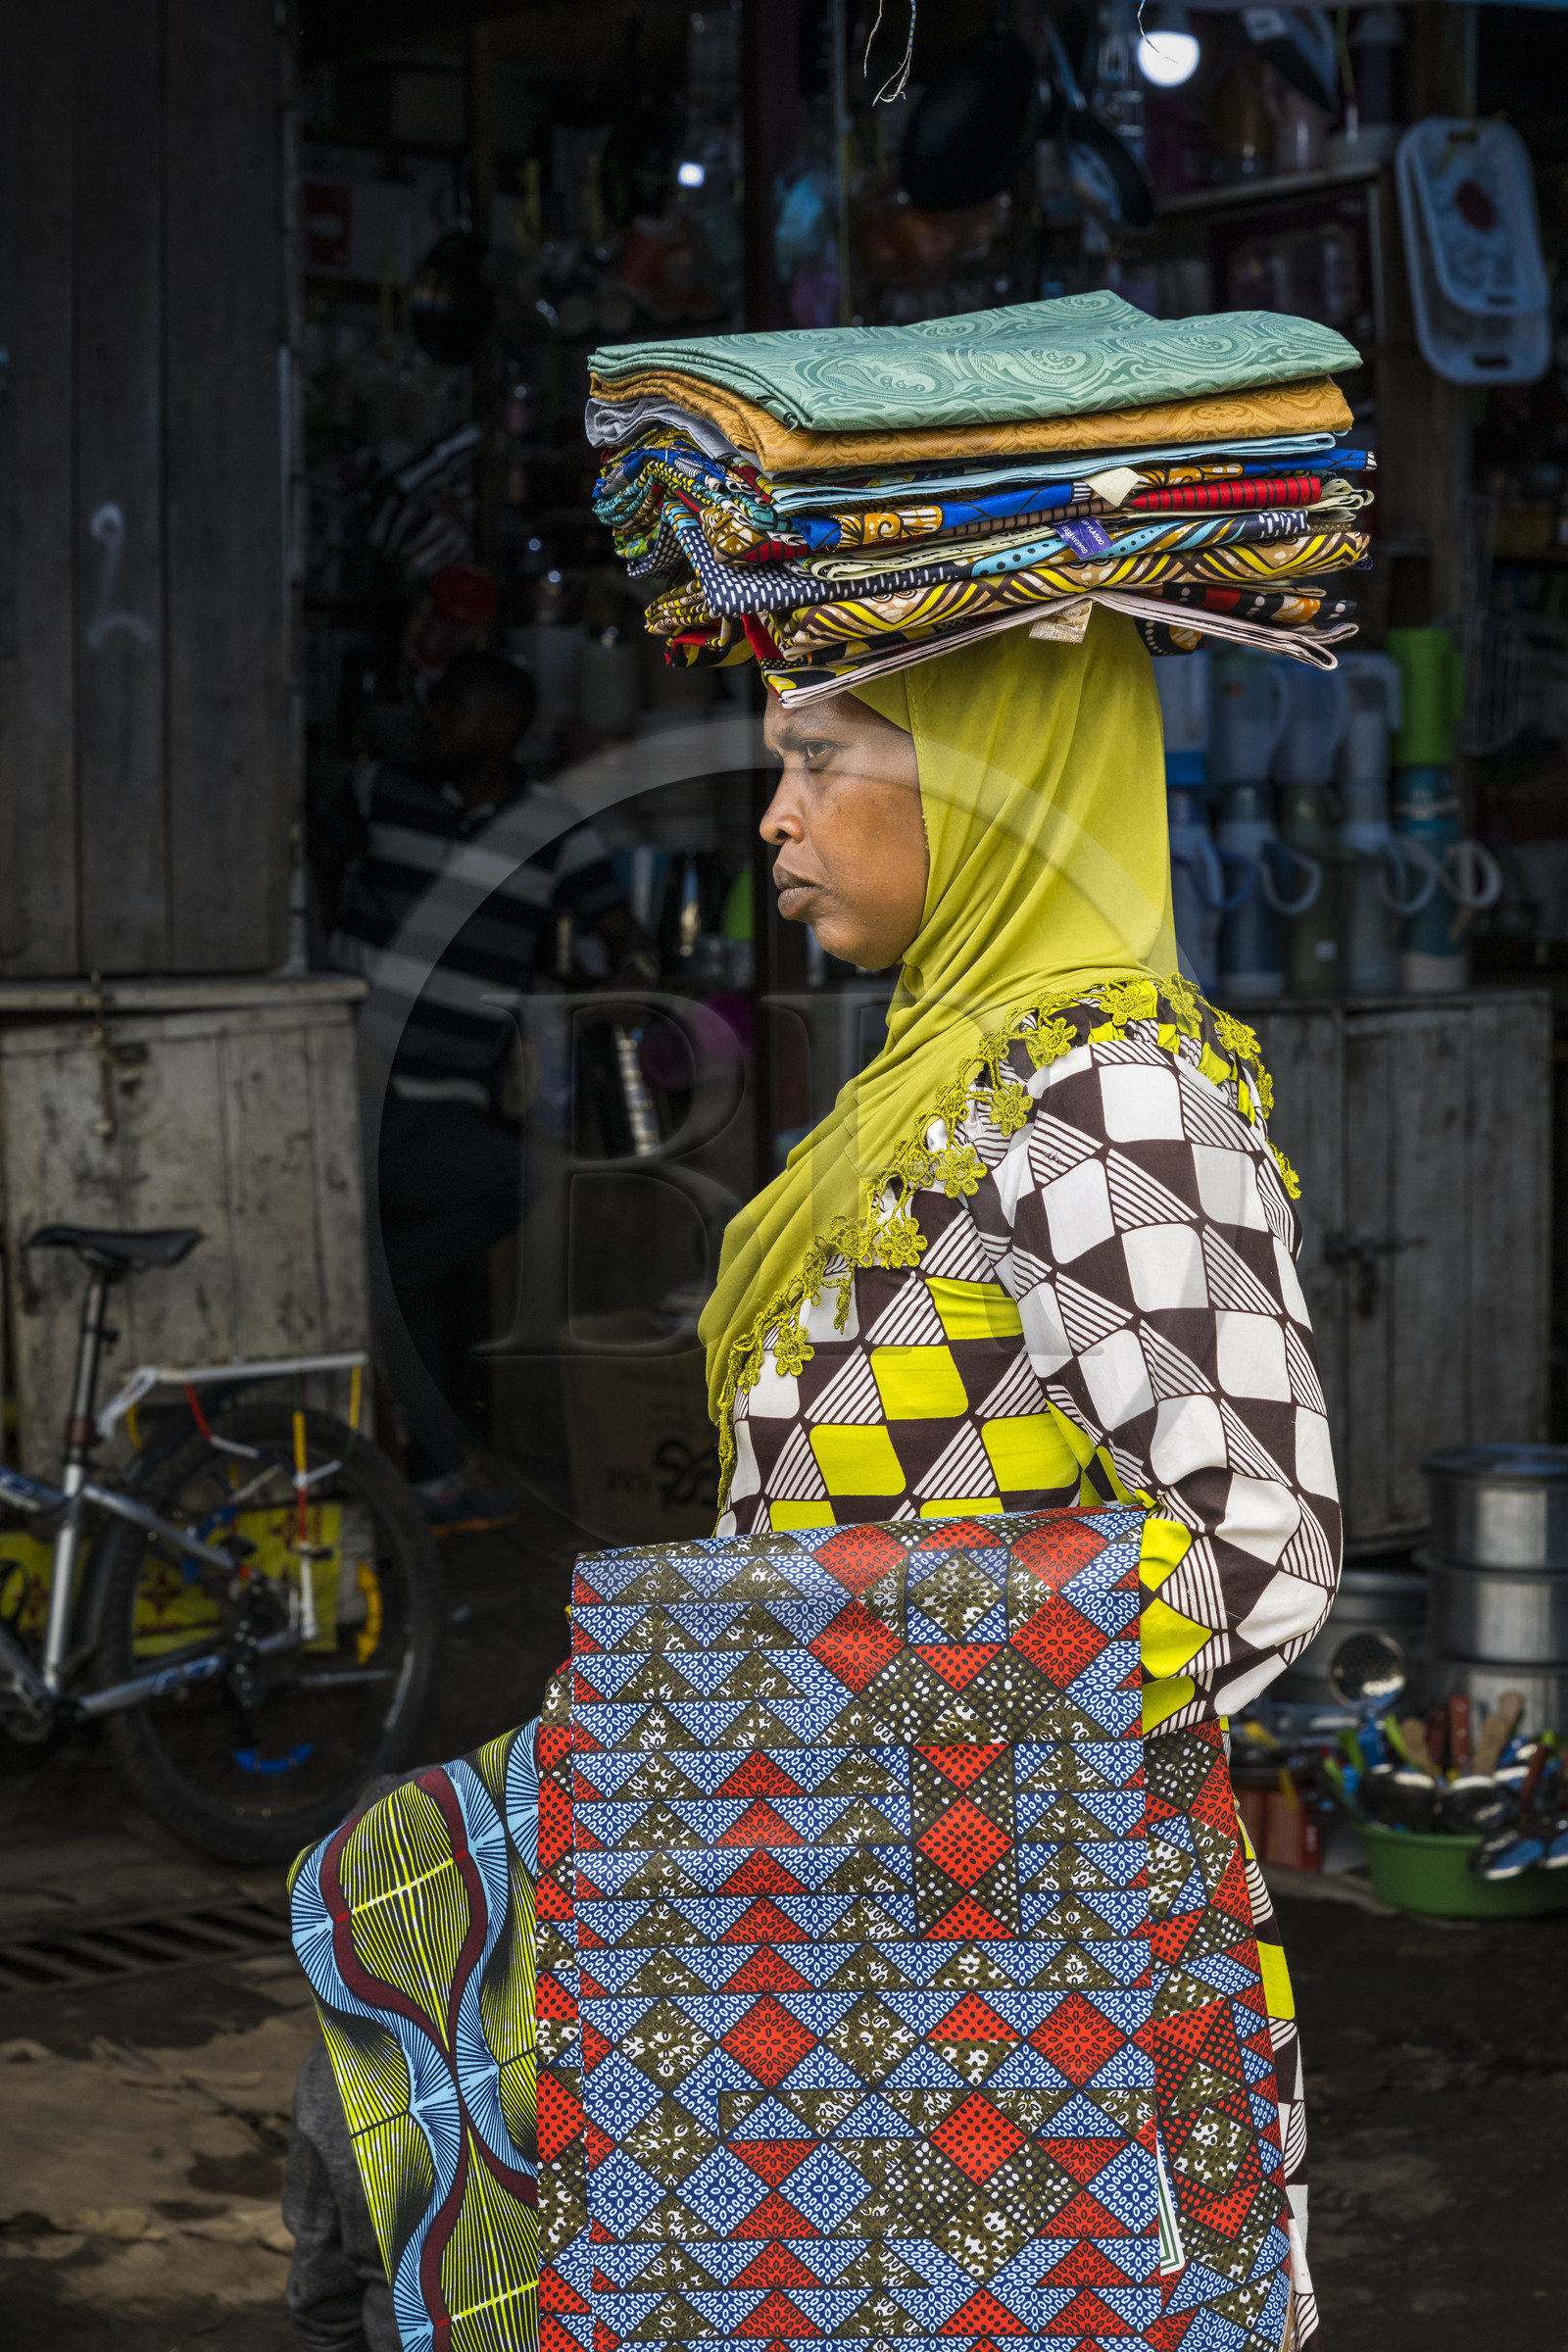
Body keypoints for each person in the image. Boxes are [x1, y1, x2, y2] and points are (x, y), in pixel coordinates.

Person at [698, 613, 1338, 2342]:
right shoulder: (948, 1087)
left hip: (1037, 1948)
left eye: (818, 757)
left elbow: (1260, 1542)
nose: (777, 812)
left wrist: (903, 1738)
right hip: (879, 1919)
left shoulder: (1110, 1104)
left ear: (996, 781)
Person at [323, 650, 650, 1530]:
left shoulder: (552, 827)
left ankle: (429, 1459)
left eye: (454, 709)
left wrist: (626, 971)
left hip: (452, 1094)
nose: (434, 722)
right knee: (490, 1207)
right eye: (436, 706)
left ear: (502, 727)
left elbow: (623, 932)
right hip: (356, 1084)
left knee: (435, 1261)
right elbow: (311, 873)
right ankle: (432, 1464)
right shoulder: (378, 790)